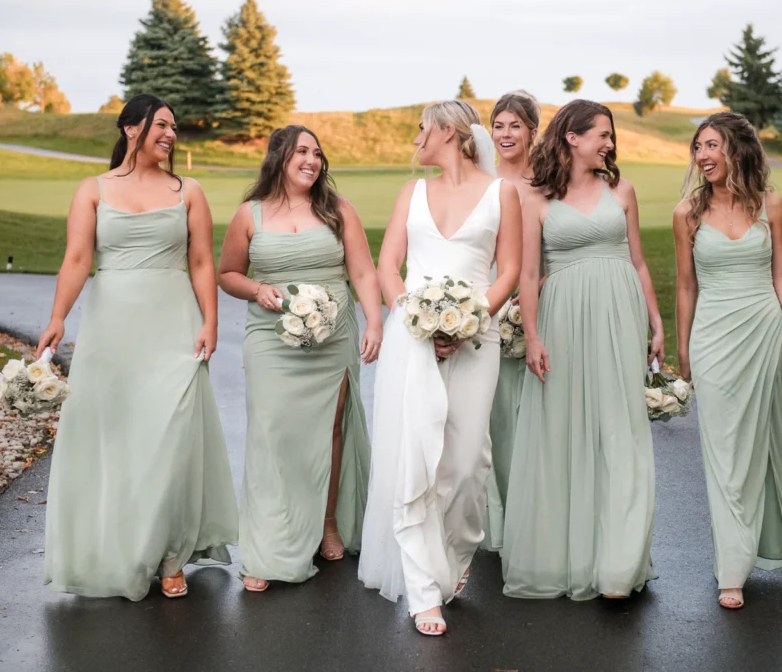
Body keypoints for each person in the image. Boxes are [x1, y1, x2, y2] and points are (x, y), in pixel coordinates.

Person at [39, 94, 238, 601]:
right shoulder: (93, 189)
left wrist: (211, 322)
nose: (171, 134)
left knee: (170, 437)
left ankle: (170, 555)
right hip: (111, 331)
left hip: (174, 325)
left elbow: (200, 263)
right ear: (131, 129)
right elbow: (78, 258)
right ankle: (119, 547)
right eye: (161, 125)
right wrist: (58, 317)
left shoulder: (187, 190)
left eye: (175, 127)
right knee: (118, 439)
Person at [358, 100, 522, 635]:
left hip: (478, 338)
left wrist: (469, 322)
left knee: (466, 464)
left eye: (422, 130)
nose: (415, 140)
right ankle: (424, 592)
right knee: (415, 457)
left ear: (450, 132)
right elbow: (388, 265)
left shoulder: (504, 193)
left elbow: (511, 268)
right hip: (415, 338)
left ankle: (454, 555)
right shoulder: (413, 193)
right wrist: (418, 319)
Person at [502, 99, 662, 600]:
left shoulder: (624, 190)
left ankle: (620, 564)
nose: (610, 144)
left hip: (620, 318)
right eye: (602, 135)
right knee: (565, 434)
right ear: (572, 137)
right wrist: (532, 335)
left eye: (611, 137)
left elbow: (638, 263)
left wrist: (656, 322)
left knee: (622, 434)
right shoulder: (537, 199)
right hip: (563, 323)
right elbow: (528, 274)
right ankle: (566, 557)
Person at [217, 125, 383, 592]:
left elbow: (364, 272)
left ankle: (328, 523)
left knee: (331, 428)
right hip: (270, 338)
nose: (311, 159)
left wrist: (375, 322)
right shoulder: (249, 215)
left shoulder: (337, 209)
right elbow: (227, 273)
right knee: (272, 433)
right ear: (279, 158)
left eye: (317, 152)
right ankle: (267, 547)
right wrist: (257, 288)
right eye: (301, 151)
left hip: (334, 336)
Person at [673, 111, 782, 610]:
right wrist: (683, 347)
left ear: (739, 150)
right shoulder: (686, 214)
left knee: (753, 447)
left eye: (712, 145)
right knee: (722, 450)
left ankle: (741, 557)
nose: (702, 156)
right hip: (711, 337)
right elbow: (687, 285)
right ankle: (732, 566)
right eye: (698, 147)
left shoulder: (770, 205)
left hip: (761, 335)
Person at [482, 90, 543, 552]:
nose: (505, 134)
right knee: (495, 415)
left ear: (532, 130)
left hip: (538, 302)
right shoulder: (481, 182)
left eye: (514, 126)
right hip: (488, 302)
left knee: (536, 417)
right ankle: (497, 523)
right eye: (498, 125)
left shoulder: (547, 183)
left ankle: (537, 518)